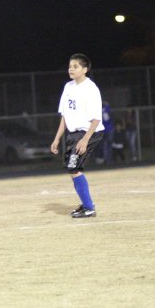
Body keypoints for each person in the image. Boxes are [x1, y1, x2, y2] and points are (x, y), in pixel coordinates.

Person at [50, 53, 105, 219]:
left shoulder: (91, 89)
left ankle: (89, 208)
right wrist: (57, 138)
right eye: (69, 66)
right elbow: (65, 116)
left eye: (75, 66)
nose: (71, 69)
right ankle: (86, 204)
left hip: (90, 132)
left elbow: (97, 118)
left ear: (85, 69)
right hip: (74, 134)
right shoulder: (68, 87)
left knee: (74, 168)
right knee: (72, 168)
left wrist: (85, 139)